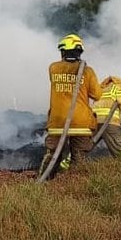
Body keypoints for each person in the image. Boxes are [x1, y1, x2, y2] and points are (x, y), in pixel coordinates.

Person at [38, 34, 102, 178]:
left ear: (63, 52)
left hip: (58, 121)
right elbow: (97, 95)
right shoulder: (87, 71)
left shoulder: (53, 68)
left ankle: (44, 182)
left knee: (52, 155)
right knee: (79, 159)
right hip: (81, 123)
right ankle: (75, 185)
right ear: (80, 52)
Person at [92, 75, 121, 158]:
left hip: (94, 123)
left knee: (83, 147)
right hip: (110, 122)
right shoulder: (119, 87)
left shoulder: (101, 89)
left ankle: (68, 165)